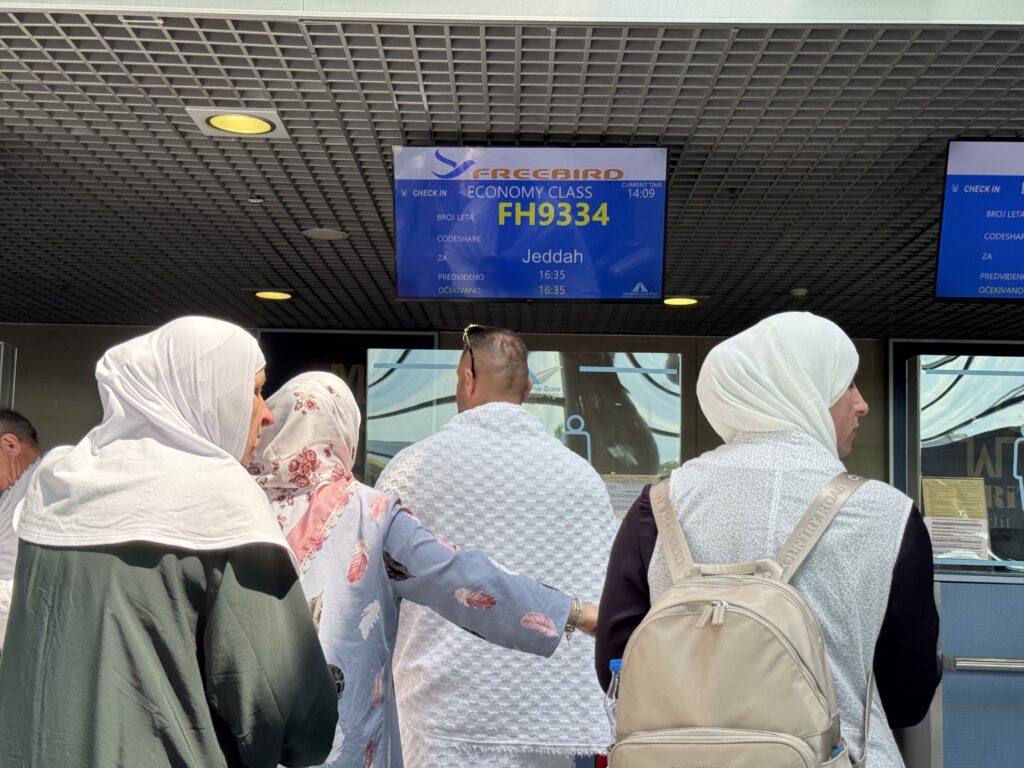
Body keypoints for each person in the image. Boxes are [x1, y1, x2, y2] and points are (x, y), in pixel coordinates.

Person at [596, 311, 941, 767]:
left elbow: (616, 667)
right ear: (803, 388)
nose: (862, 405)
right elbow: (908, 696)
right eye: (846, 385)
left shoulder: (656, 508)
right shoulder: (888, 514)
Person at [0, 317, 338, 768]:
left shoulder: (57, 486)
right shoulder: (222, 501)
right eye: (254, 391)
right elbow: (289, 713)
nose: (267, 412)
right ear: (206, 396)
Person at [249, 371, 596, 768]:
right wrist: (574, 613)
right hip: (338, 743)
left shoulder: (235, 506)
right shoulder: (370, 516)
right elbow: (460, 577)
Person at [375, 326, 618, 767]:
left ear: (467, 378)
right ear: (527, 390)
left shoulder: (411, 470)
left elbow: (380, 588)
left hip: (441, 711)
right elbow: (602, 591)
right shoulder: (582, 478)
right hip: (550, 718)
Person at [0, 409, 43, 649]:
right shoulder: (15, 489)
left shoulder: (45, 485)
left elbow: (35, 581)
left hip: (22, 638)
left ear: (11, 444)